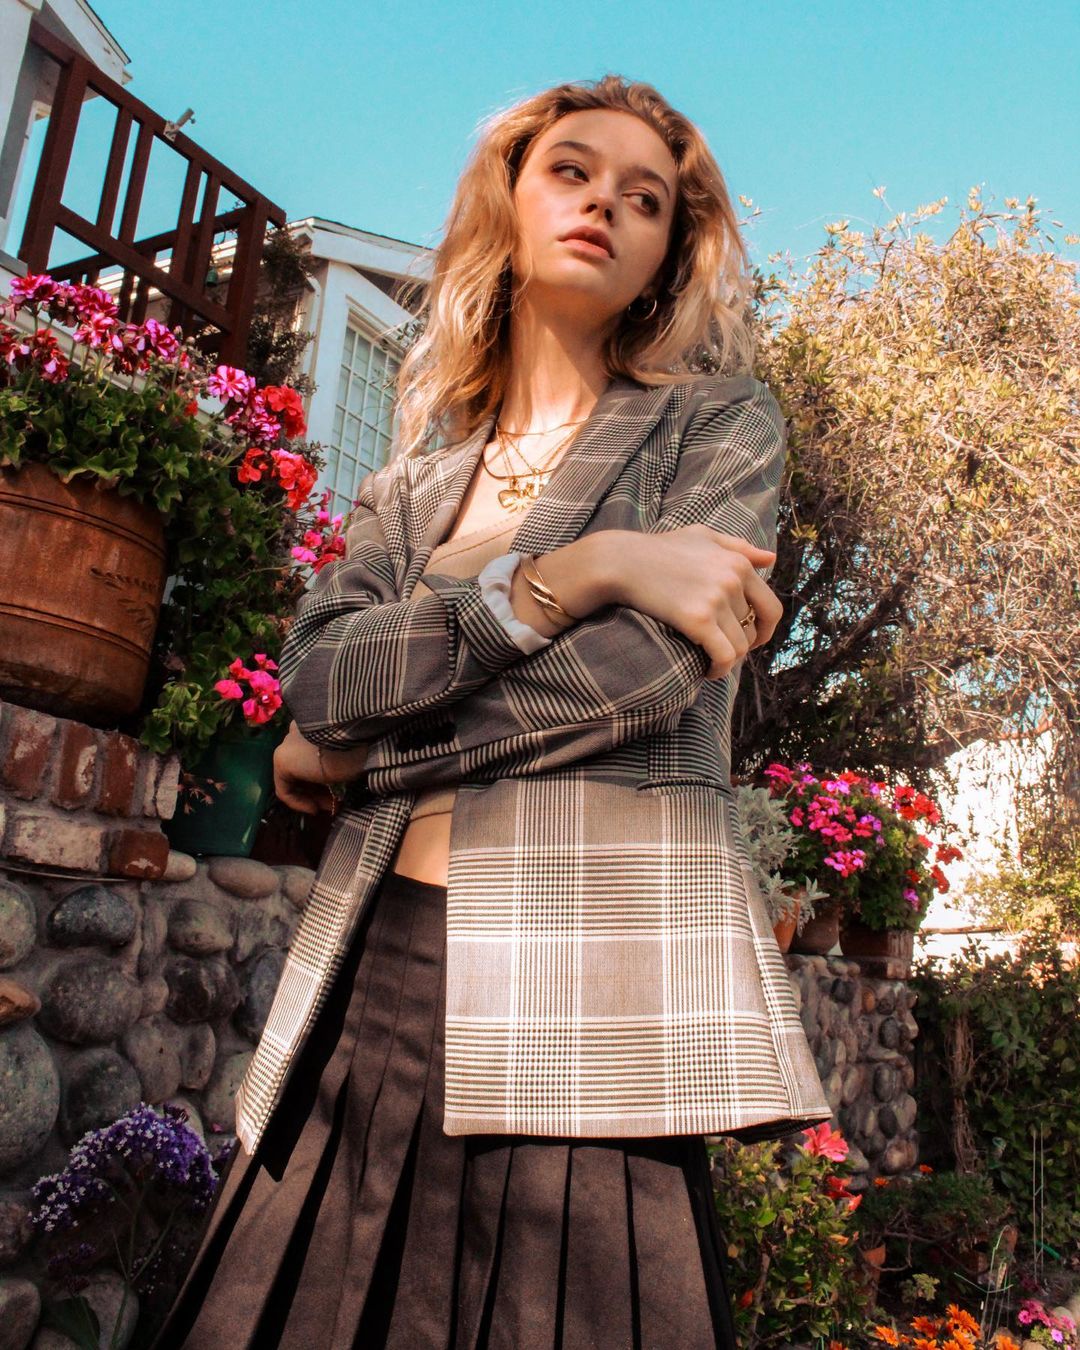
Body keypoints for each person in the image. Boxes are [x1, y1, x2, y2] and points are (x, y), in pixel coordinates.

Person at [151, 74, 830, 1349]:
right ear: (509, 203)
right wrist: (581, 571)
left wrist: (353, 760)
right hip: (368, 968)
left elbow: (642, 675)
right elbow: (319, 679)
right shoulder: (412, 486)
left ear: (666, 255)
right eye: (572, 171)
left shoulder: (718, 427)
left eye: (645, 198)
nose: (605, 205)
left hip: (591, 980)